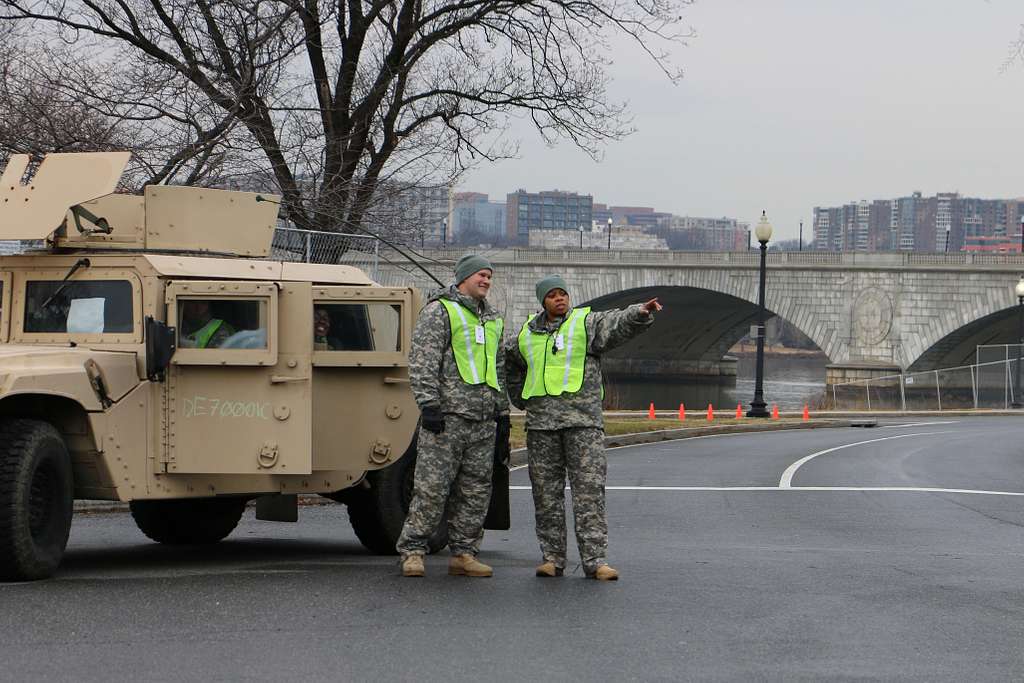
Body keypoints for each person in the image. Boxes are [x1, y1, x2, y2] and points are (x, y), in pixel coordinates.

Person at [505, 275, 661, 581]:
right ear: (543, 301)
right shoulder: (526, 334)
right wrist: (519, 396)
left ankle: (595, 560)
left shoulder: (584, 324)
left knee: (589, 494)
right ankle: (552, 559)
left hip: (583, 426)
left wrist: (639, 313)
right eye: (553, 295)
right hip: (542, 427)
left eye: (563, 293)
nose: (560, 299)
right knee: (546, 497)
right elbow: (509, 360)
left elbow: (614, 325)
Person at [395, 254, 509, 578]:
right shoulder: (440, 311)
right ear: (463, 278)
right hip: (447, 419)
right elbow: (422, 360)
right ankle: (413, 550)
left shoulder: (494, 319)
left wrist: (502, 415)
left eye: (489, 276)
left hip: (483, 421)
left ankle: (464, 553)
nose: (486, 280)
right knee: (431, 488)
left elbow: (497, 369)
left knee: (475, 491)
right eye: (480, 275)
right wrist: (429, 405)